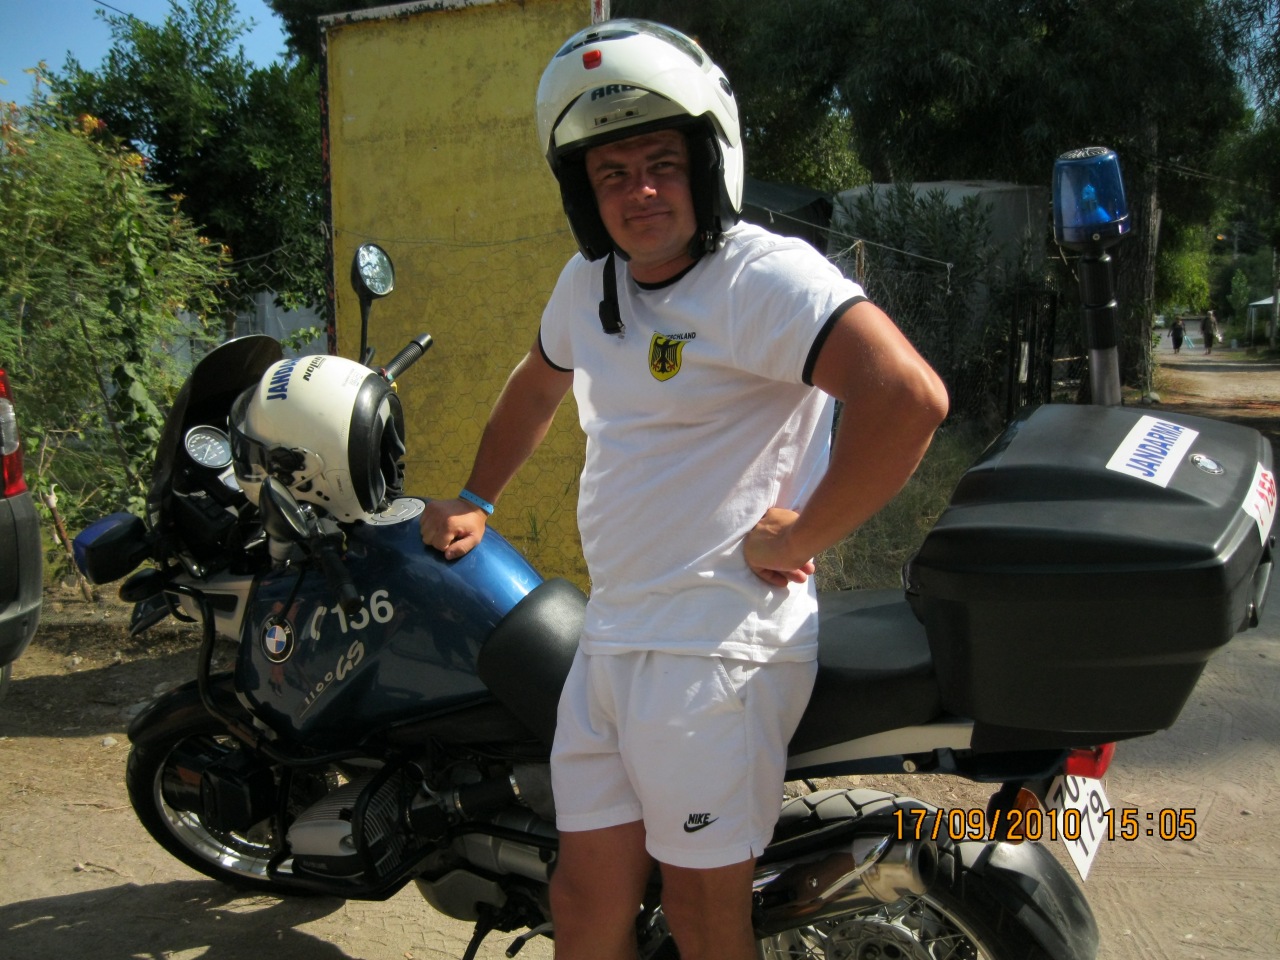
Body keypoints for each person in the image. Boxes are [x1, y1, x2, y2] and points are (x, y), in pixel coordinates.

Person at [419, 20, 949, 960]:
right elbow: (537, 384)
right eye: (612, 174)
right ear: (585, 194)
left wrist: (799, 534)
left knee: (706, 917)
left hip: (714, 648)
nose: (640, 191)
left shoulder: (762, 277)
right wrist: (476, 496)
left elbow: (907, 397)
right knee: (585, 897)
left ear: (707, 163)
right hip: (615, 634)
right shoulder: (589, 283)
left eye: (661, 163)